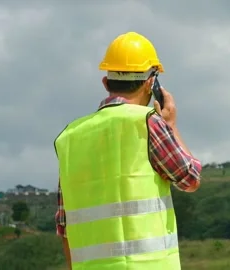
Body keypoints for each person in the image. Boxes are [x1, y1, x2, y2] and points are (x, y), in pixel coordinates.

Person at [54, 32, 202, 270]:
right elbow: (190, 179)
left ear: (106, 83)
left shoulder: (69, 136)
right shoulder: (148, 122)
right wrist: (171, 126)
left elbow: (64, 225)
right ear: (151, 83)